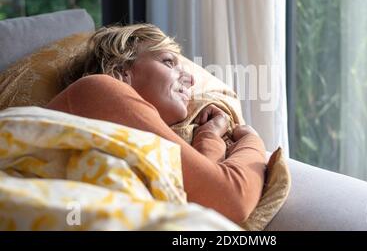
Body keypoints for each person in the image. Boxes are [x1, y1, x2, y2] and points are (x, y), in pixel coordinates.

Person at [46, 24, 266, 223]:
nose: (191, 80)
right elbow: (231, 199)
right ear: (120, 71)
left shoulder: (136, 142)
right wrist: (251, 140)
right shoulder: (98, 89)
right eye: (168, 62)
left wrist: (208, 135)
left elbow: (199, 207)